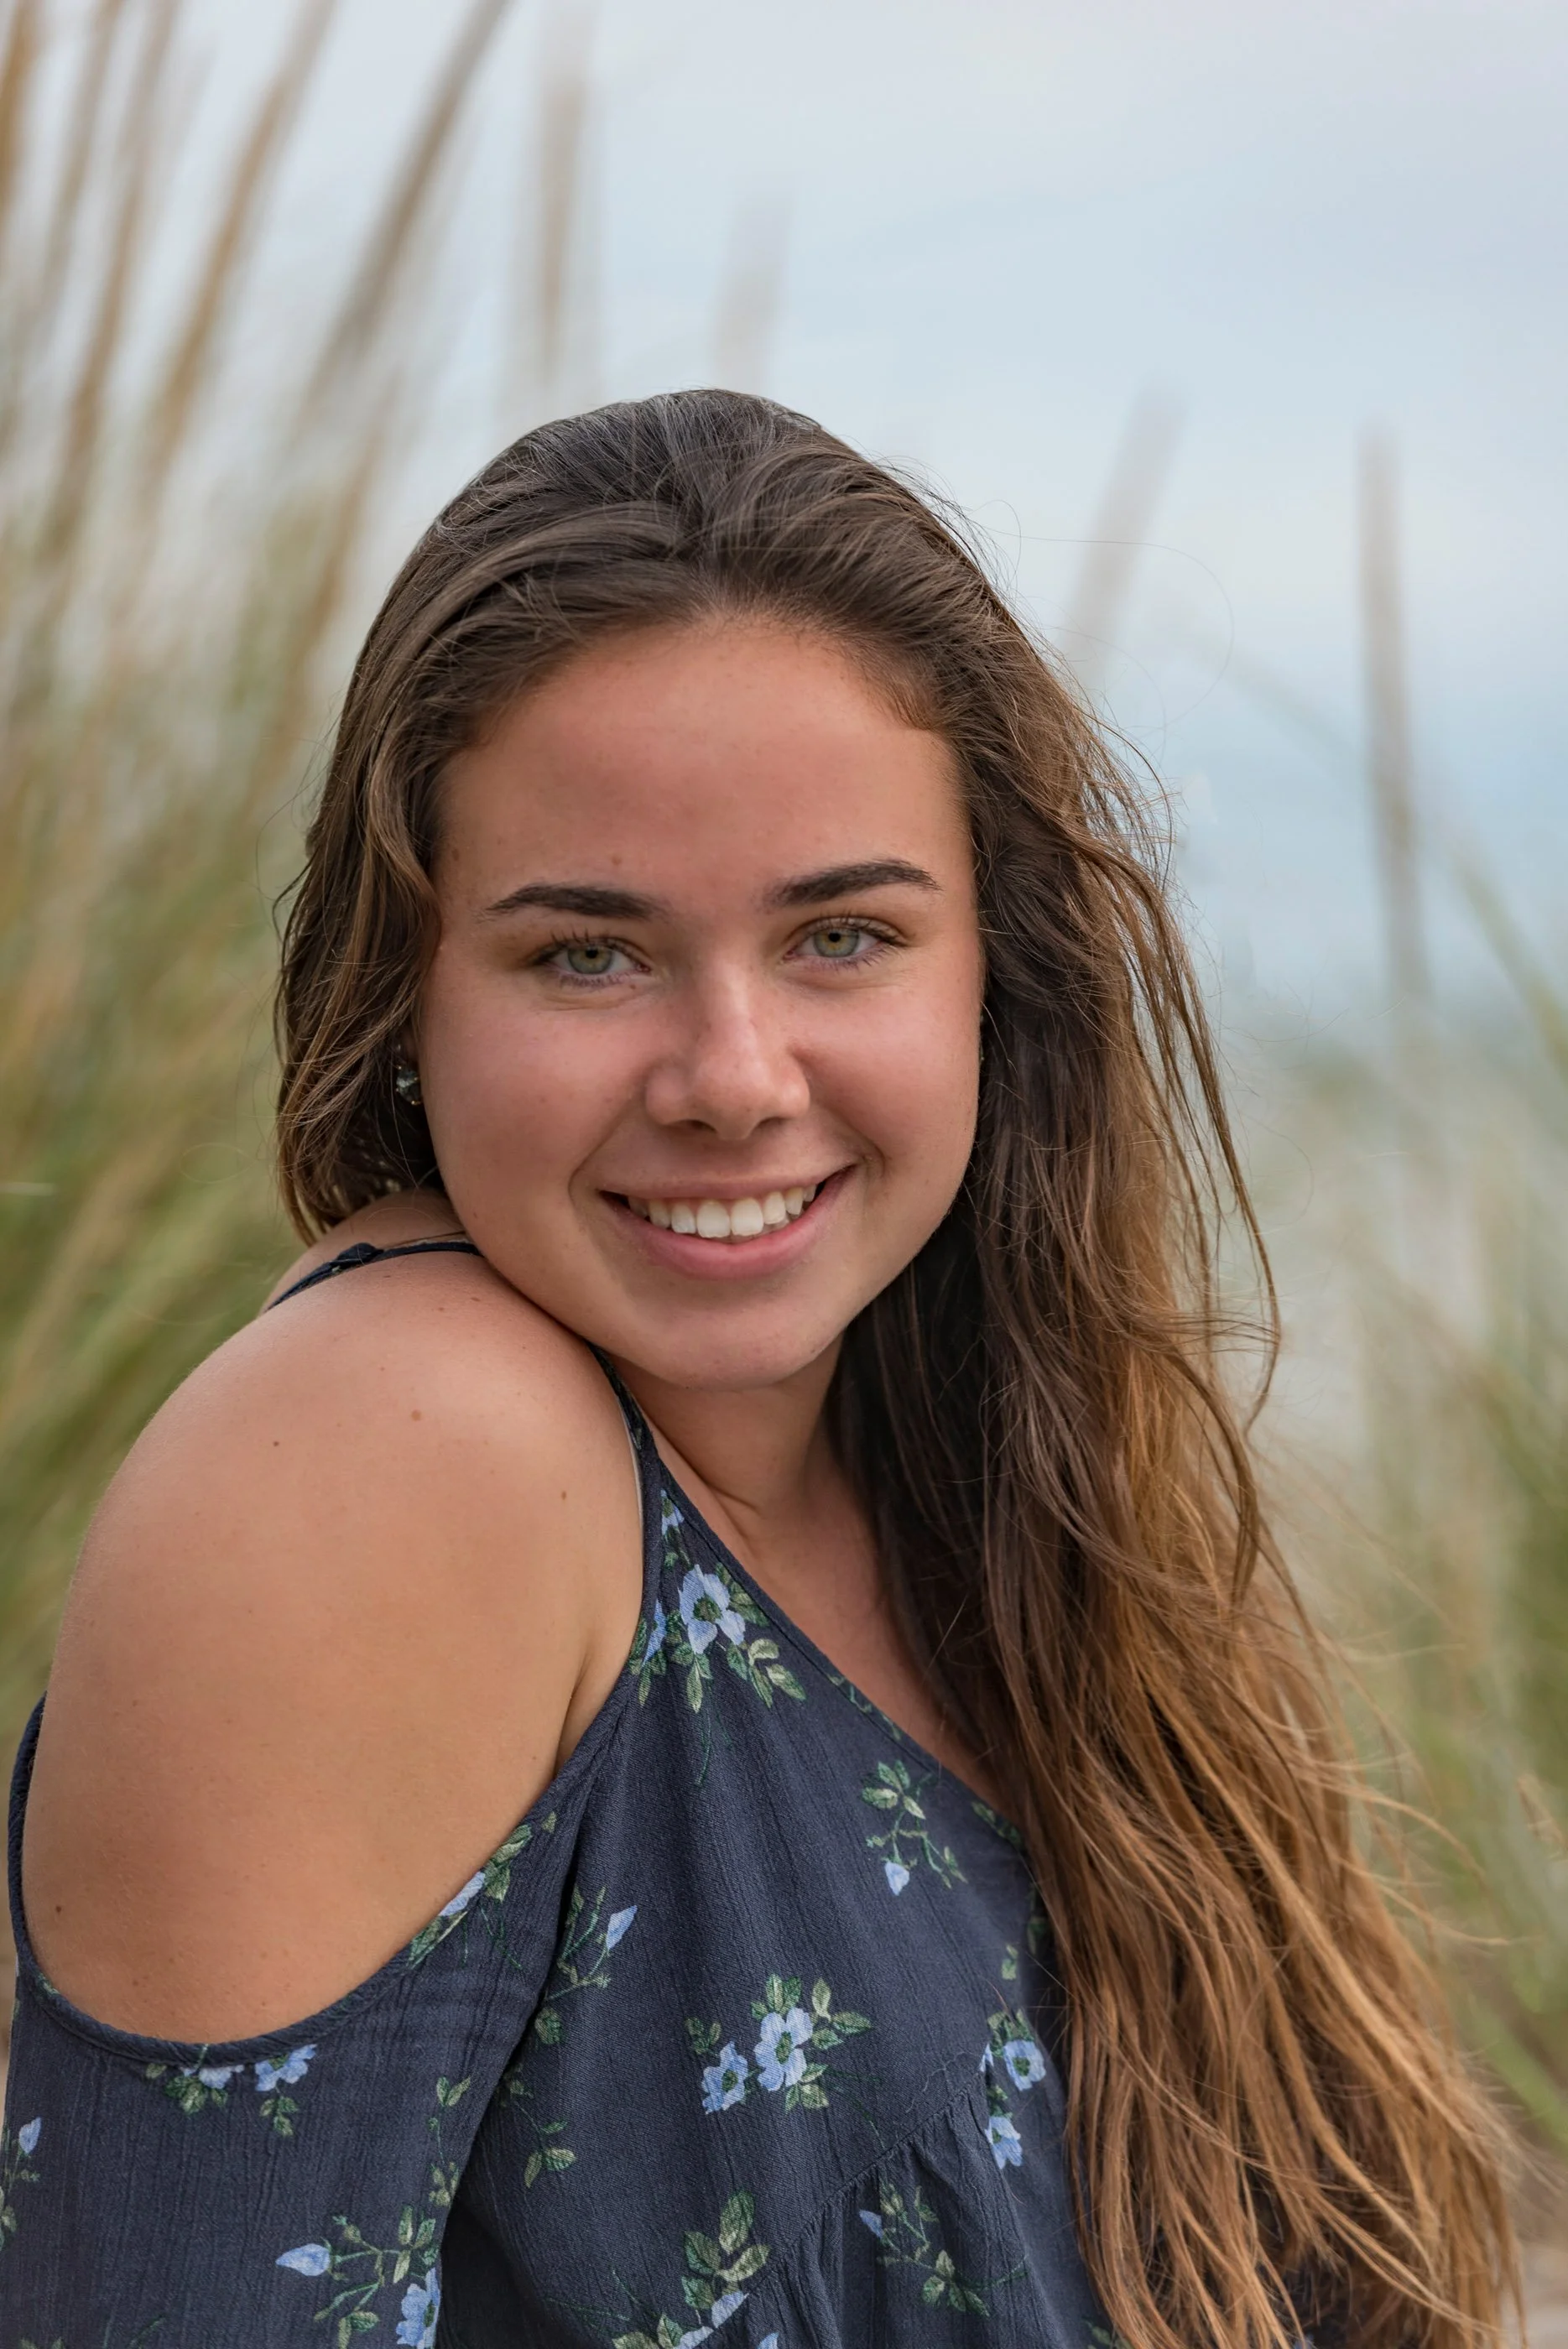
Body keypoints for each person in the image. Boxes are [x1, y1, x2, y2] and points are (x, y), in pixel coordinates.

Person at [3, 392, 1512, 2346]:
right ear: (405, 989)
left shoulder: (968, 1458)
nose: (730, 1076)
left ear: (998, 976)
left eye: (840, 936)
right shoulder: (390, 1446)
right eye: (586, 956)